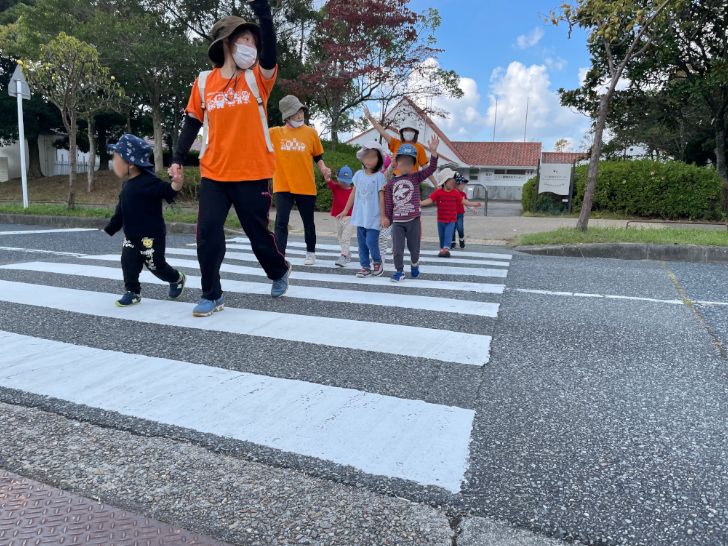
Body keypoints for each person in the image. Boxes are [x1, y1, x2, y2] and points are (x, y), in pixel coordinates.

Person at [169, 0, 290, 317]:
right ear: (226, 42)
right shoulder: (204, 82)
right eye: (245, 40)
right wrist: (178, 158)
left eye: (254, 40)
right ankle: (212, 294)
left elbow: (271, 53)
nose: (252, 46)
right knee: (207, 232)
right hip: (214, 173)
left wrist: (263, 12)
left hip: (252, 172)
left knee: (257, 235)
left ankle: (278, 270)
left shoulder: (257, 79)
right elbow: (192, 121)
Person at [103, 134, 185, 307]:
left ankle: (176, 278)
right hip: (132, 236)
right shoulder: (126, 186)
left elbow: (168, 191)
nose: (114, 163)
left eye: (118, 159)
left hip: (152, 236)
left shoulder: (150, 182)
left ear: (131, 164)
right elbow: (121, 210)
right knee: (128, 262)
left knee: (156, 266)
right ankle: (132, 292)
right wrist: (112, 227)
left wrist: (176, 183)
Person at [270, 94, 331, 265]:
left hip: (305, 185)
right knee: (281, 222)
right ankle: (279, 255)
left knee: (308, 222)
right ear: (287, 115)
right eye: (295, 112)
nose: (299, 115)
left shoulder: (311, 133)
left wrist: (324, 169)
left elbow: (318, 157)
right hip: (283, 185)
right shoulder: (275, 133)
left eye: (301, 111)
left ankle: (310, 252)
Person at [383, 135, 440, 282]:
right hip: (398, 222)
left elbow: (431, 168)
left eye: (409, 163)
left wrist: (433, 153)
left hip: (413, 220)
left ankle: (414, 263)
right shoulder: (391, 183)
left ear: (413, 165)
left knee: (414, 249)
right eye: (403, 163)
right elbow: (389, 203)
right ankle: (399, 271)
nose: (406, 166)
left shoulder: (415, 177)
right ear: (397, 164)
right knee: (397, 249)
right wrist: (387, 219)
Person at [337, 141, 388, 277]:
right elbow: (353, 193)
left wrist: (383, 216)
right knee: (362, 244)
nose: (369, 160)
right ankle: (365, 266)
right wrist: (345, 210)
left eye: (373, 157)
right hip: (360, 216)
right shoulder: (358, 175)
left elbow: (382, 198)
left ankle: (377, 262)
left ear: (379, 160)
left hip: (374, 217)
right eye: (367, 156)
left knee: (371, 241)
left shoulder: (380, 177)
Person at [362, 105, 435, 183]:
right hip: (394, 178)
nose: (408, 131)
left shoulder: (419, 148)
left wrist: (436, 185)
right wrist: (370, 118)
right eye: (406, 130)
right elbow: (382, 132)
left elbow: (425, 168)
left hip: (412, 180)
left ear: (415, 133)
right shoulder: (396, 143)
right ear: (402, 132)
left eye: (411, 130)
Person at [421, 168, 481, 257]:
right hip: (440, 220)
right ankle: (442, 249)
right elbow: (430, 200)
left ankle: (446, 249)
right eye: (451, 181)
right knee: (442, 236)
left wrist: (474, 204)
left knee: (448, 234)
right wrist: (420, 203)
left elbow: (464, 201)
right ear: (444, 182)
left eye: (453, 180)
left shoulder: (455, 193)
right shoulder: (438, 192)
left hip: (451, 220)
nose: (453, 182)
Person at [328, 165, 355, 267]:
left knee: (345, 237)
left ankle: (343, 256)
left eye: (346, 181)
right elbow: (329, 182)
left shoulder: (353, 191)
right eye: (342, 181)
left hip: (350, 217)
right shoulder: (336, 188)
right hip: (338, 217)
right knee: (339, 236)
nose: (344, 183)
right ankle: (347, 252)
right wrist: (327, 176)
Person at [452, 173, 469, 249]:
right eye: (462, 185)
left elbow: (466, 203)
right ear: (457, 185)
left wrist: (472, 208)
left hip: (460, 214)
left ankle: (461, 240)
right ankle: (452, 243)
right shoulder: (452, 193)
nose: (463, 186)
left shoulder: (463, 194)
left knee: (460, 228)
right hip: (451, 214)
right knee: (452, 229)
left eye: (464, 185)